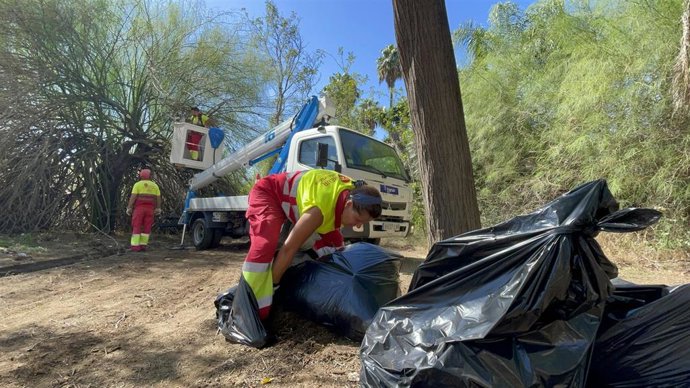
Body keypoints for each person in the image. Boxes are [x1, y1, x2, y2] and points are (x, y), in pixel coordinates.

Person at [241, 169, 383, 320]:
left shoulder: (354, 191)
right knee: (265, 246)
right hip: (269, 193)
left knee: (337, 253)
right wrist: (274, 287)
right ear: (348, 204)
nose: (358, 226)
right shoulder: (318, 212)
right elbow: (288, 249)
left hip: (306, 202)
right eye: (358, 219)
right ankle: (253, 306)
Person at [126, 169, 162, 252]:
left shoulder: (137, 185)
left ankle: (135, 247)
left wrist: (129, 207)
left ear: (141, 176)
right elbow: (158, 198)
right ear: (150, 176)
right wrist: (158, 208)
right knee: (147, 227)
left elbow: (133, 197)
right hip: (150, 210)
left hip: (139, 209)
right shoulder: (154, 185)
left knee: (136, 226)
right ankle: (143, 246)